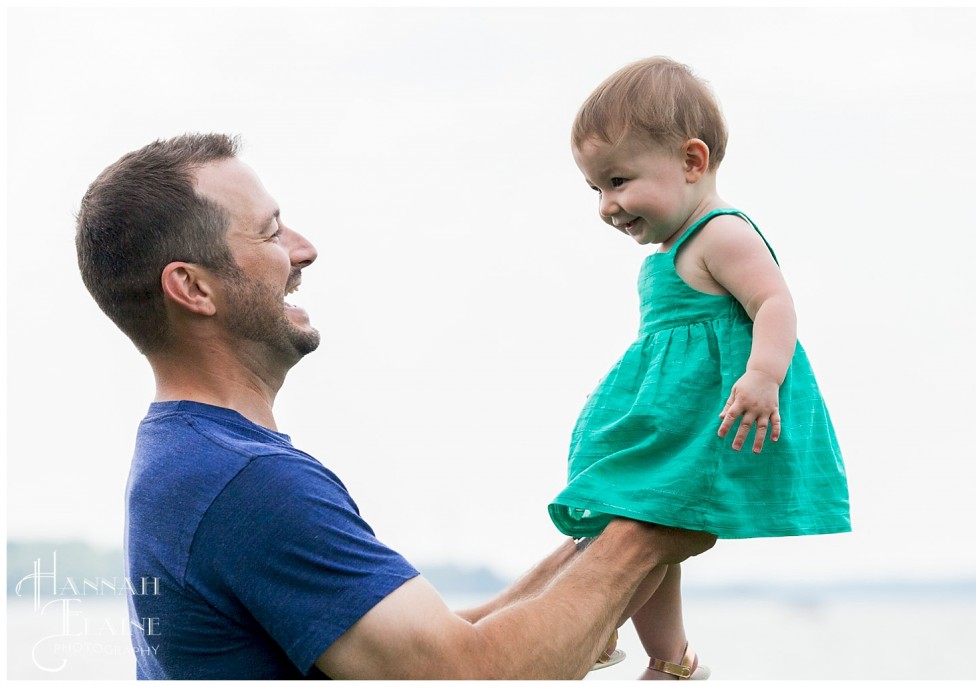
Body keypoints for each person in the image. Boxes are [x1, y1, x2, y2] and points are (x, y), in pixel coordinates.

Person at [74, 133, 716, 680]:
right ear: (191, 287)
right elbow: (465, 676)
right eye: (271, 231)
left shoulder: (190, 457)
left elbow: (422, 645)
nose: (304, 248)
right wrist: (651, 528)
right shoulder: (246, 484)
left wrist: (601, 540)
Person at [548, 57, 852, 680]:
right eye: (596, 189)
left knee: (634, 516)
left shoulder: (722, 233)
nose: (607, 204)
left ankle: (594, 627)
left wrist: (764, 374)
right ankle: (670, 658)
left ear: (692, 161)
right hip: (670, 415)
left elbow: (774, 302)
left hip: (709, 420)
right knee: (631, 520)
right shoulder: (668, 250)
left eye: (619, 180)